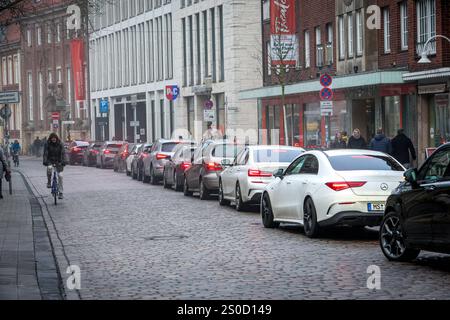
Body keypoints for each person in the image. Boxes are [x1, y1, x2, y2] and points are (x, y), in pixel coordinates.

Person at [43, 133, 66, 199]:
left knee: (60, 176)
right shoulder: (47, 144)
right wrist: (45, 161)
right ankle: (49, 182)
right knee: (49, 168)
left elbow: (63, 153)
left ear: (56, 138)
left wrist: (64, 161)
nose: (53, 139)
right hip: (50, 160)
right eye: (52, 138)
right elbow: (45, 154)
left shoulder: (60, 144)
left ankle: (61, 192)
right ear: (50, 138)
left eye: (54, 138)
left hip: (59, 161)